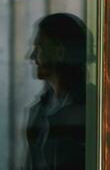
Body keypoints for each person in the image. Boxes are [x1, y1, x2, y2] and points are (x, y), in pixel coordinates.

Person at [26, 13, 88, 170]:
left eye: (39, 48)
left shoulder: (92, 108)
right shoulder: (38, 110)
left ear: (60, 52)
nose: (31, 56)